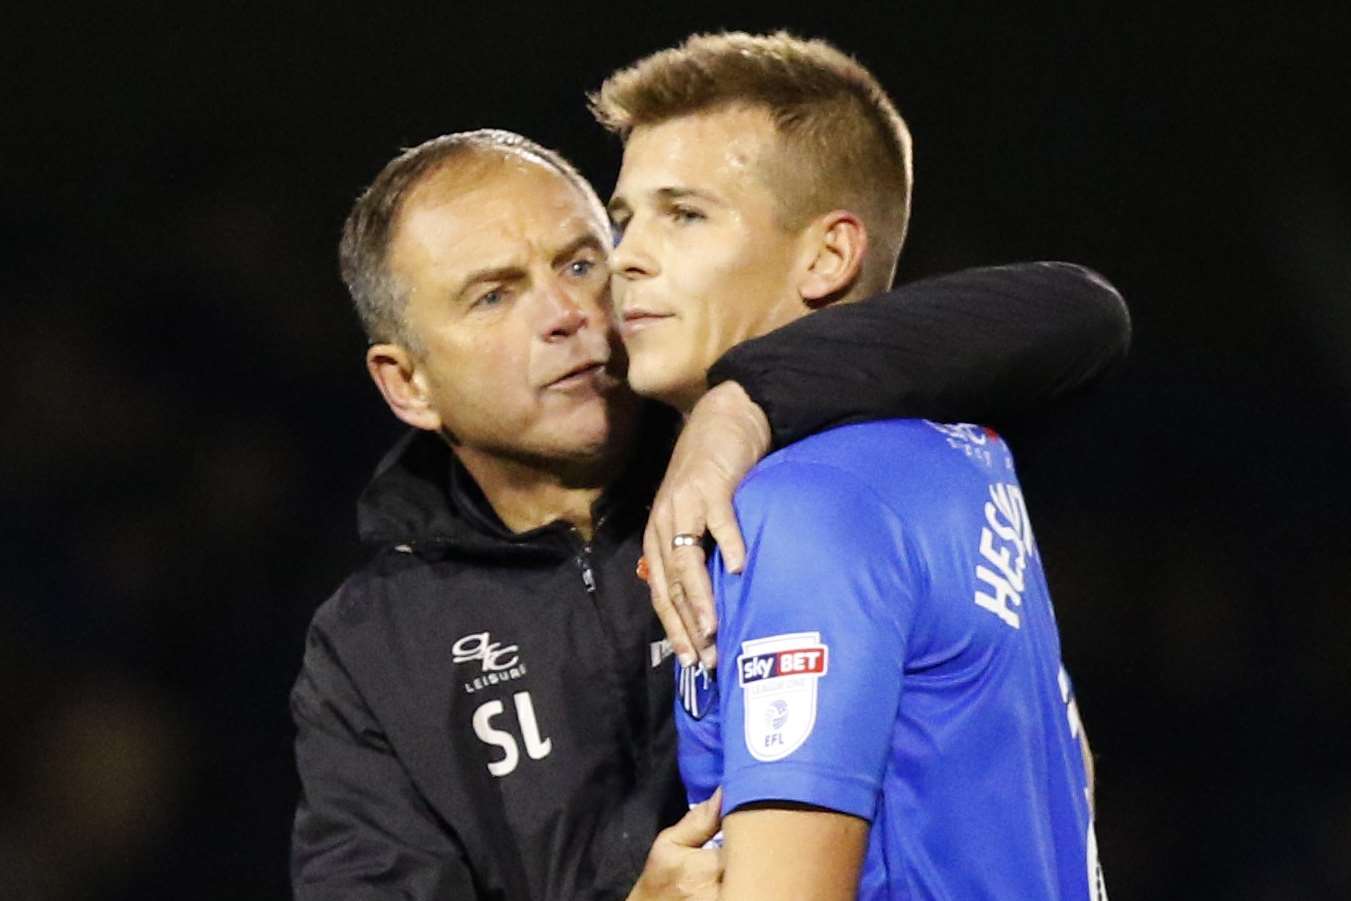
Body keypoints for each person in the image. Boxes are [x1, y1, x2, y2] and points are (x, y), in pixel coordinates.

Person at [289, 126, 1127, 898]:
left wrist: (741, 404)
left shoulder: (781, 464)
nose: (567, 315)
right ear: (408, 382)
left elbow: (1077, 312)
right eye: (493, 296)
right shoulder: (372, 646)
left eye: (582, 263)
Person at [594, 31, 1108, 899]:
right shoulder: (953, 458)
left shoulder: (801, 507)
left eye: (684, 213)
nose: (627, 256)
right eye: (623, 219)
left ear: (829, 255)